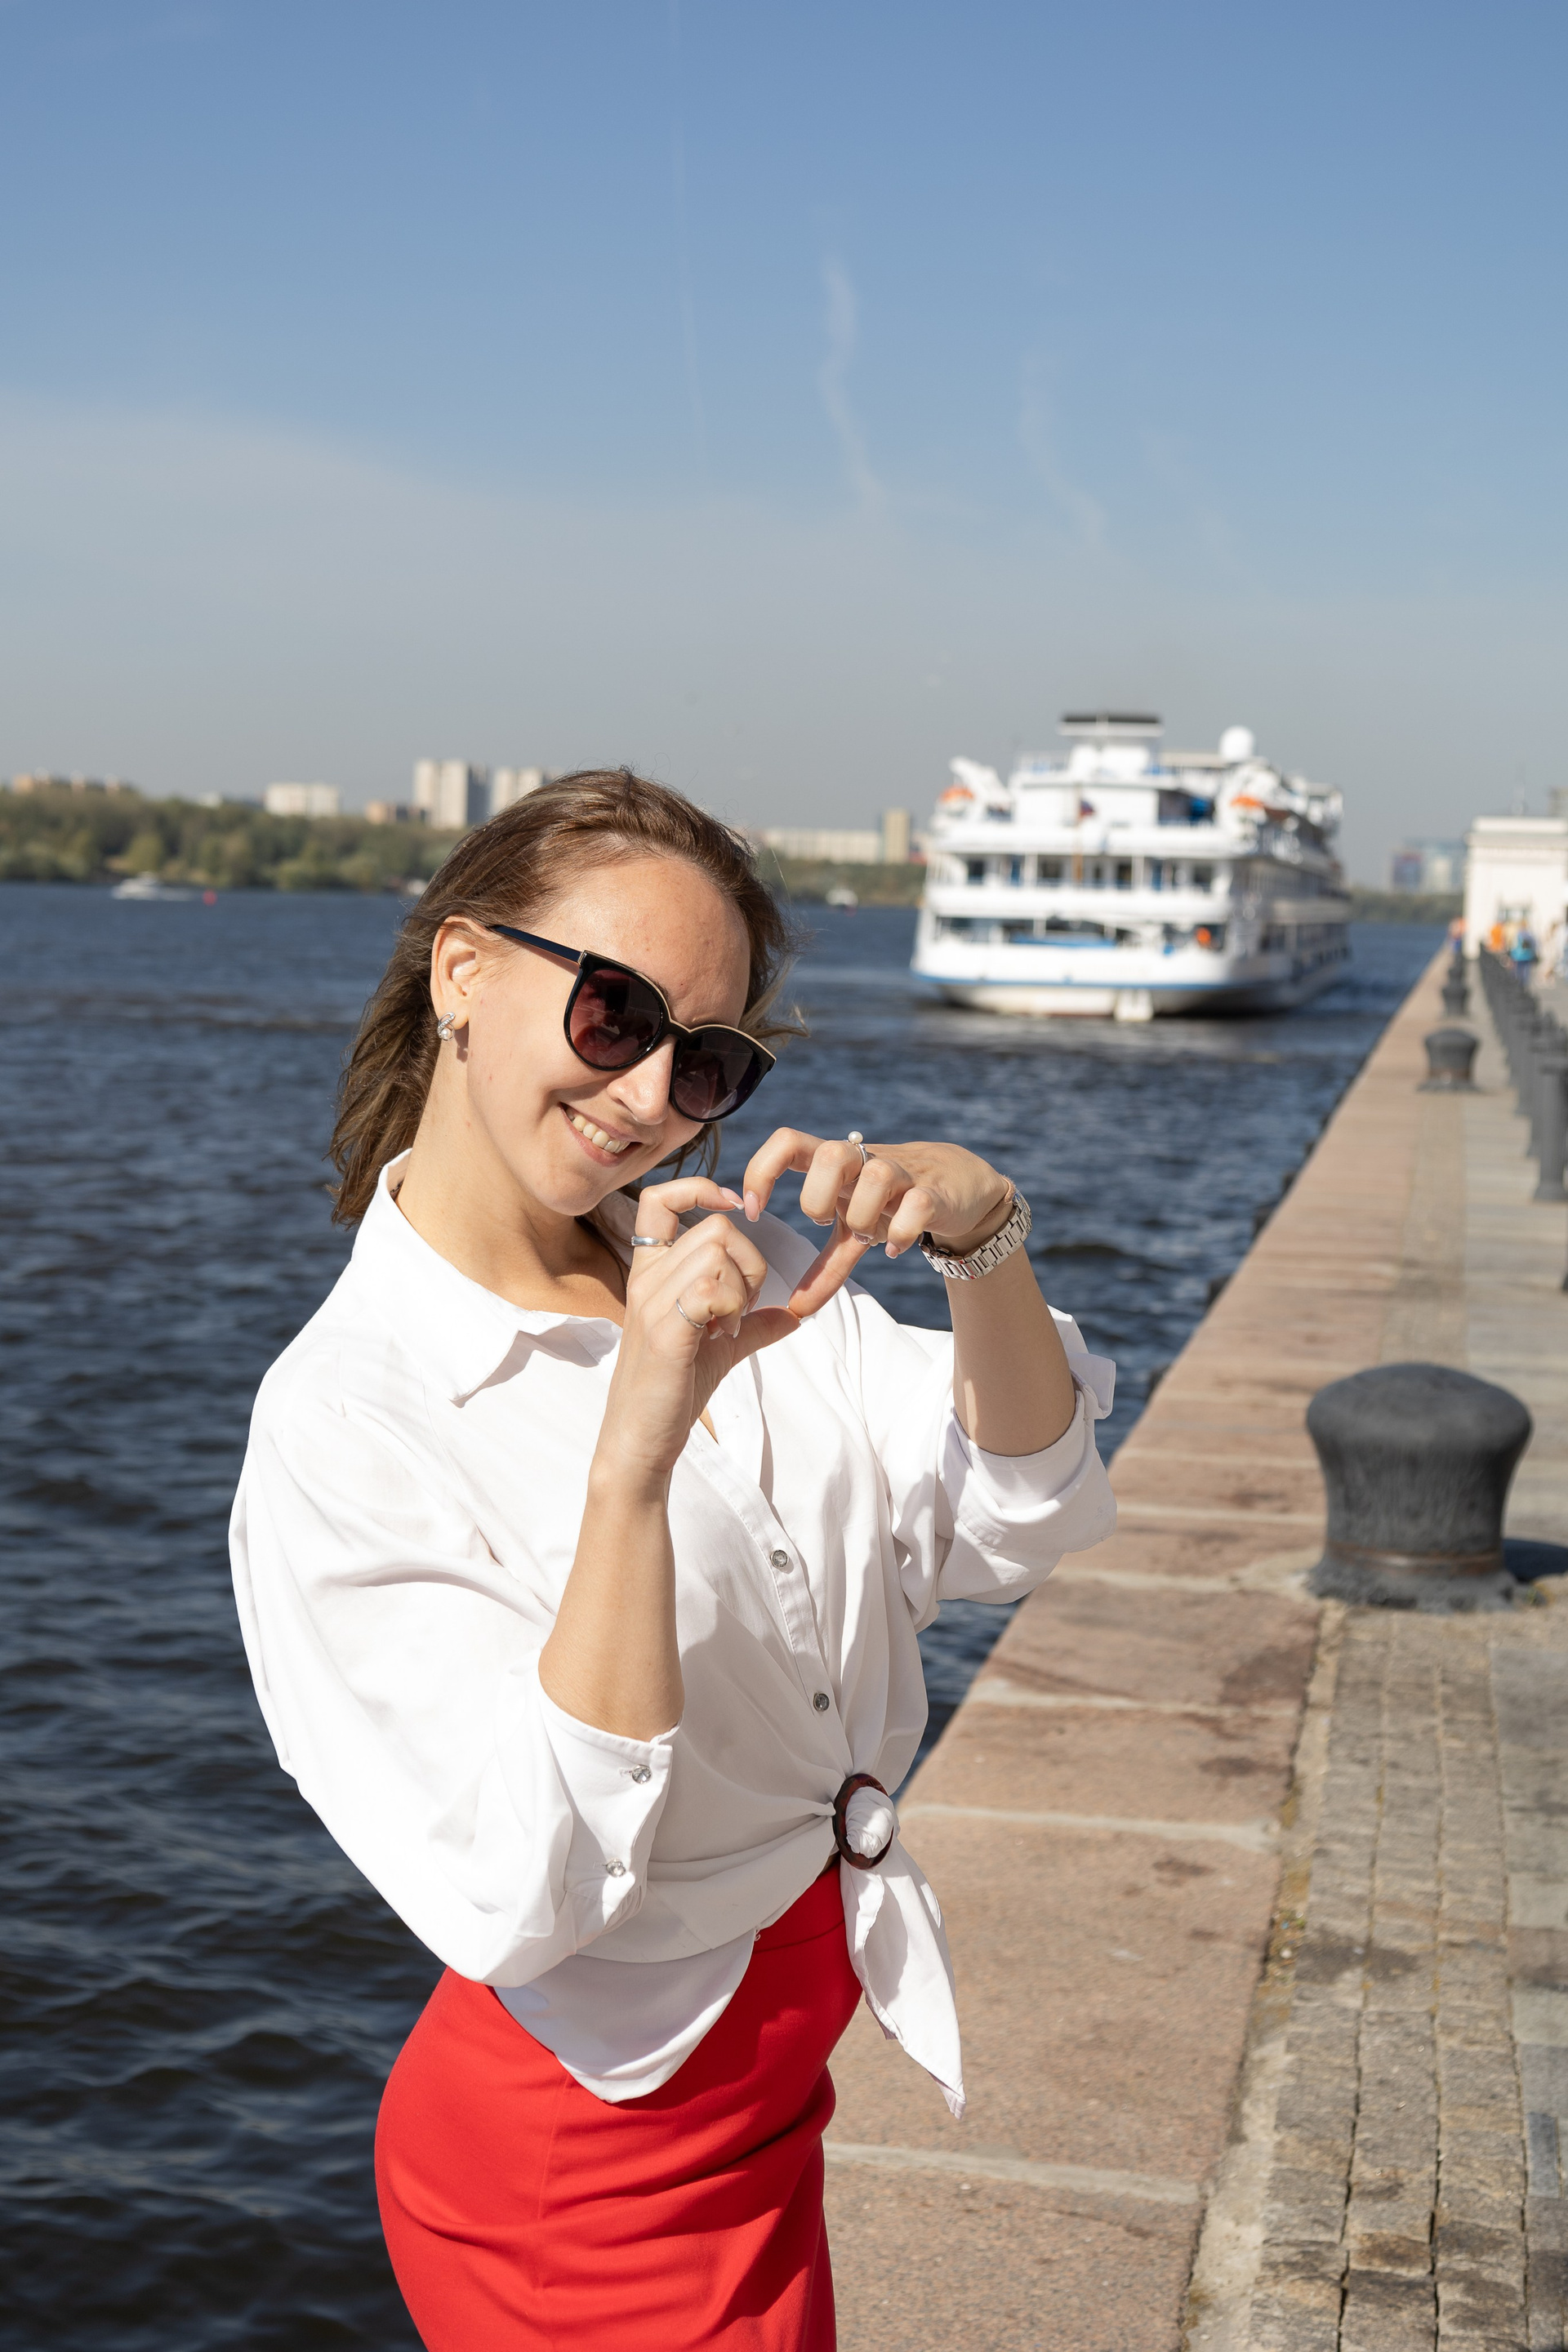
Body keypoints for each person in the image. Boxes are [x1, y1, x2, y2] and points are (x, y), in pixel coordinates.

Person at [229, 771, 1116, 2351]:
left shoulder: (739, 1272)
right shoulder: (349, 1419)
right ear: (462, 971)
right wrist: (634, 1456)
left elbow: (1020, 1510)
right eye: (615, 1014)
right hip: (583, 2180)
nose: (648, 1098)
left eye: (703, 1060)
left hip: (767, 2109)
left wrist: (984, 1243)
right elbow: (524, 1889)